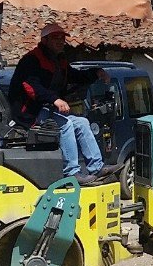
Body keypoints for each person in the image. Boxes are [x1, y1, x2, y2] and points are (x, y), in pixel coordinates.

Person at [8, 23, 120, 185]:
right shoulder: (31, 60)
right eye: (56, 38)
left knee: (81, 122)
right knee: (65, 124)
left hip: (47, 109)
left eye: (62, 38)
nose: (61, 41)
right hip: (29, 112)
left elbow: (74, 76)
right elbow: (31, 87)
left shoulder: (59, 60)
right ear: (45, 40)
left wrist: (96, 72)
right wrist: (55, 99)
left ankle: (97, 167)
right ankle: (71, 173)